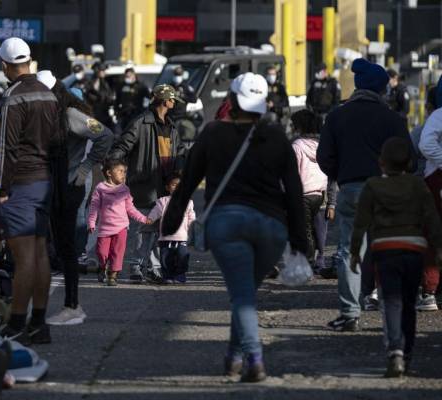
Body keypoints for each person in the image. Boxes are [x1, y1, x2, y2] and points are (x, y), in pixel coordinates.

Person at [162, 72, 307, 382]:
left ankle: (254, 358)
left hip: (226, 224)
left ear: (231, 99)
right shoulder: (277, 137)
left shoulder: (212, 133)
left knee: (242, 295)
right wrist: (300, 242)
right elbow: (294, 191)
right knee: (245, 292)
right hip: (272, 227)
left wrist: (172, 221)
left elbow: (187, 183)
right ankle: (234, 356)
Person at [317, 58, 411, 332]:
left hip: (352, 190)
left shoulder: (337, 115)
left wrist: (342, 174)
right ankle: (392, 310)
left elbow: (324, 157)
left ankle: (349, 313)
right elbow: (411, 160)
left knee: (349, 250)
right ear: (381, 90)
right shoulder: (392, 119)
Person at [350, 137, 442, 378]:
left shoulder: (372, 186)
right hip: (414, 251)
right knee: (409, 305)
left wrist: (354, 252)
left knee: (391, 301)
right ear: (410, 162)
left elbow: (360, 223)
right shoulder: (418, 186)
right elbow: (432, 220)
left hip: (384, 249)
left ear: (381, 162)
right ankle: (408, 353)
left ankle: (395, 352)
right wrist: (439, 248)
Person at [0, 37, 59, 345]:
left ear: (6, 65)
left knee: (24, 258)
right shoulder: (48, 95)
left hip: (21, 182)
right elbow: (58, 142)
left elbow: (6, 147)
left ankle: (17, 321)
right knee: (40, 252)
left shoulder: (13, 97)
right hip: (46, 181)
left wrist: (2, 188)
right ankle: (39, 322)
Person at [36, 70, 114, 325]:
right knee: (57, 247)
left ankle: (72, 304)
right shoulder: (49, 115)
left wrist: (86, 166)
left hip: (69, 186)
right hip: (53, 186)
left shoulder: (70, 115)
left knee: (67, 248)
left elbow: (105, 135)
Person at [109, 84, 186, 283]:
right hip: (144, 186)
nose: (175, 104)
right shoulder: (140, 123)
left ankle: (153, 268)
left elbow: (180, 153)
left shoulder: (172, 126)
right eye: (173, 100)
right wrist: (113, 170)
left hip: (166, 187)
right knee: (142, 230)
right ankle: (136, 267)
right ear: (165, 100)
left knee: (159, 230)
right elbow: (121, 147)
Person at [88, 159, 150, 286]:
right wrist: (91, 222)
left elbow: (130, 209)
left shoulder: (125, 190)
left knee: (117, 252)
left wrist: (143, 218)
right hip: (104, 229)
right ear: (109, 173)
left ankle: (113, 275)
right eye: (120, 171)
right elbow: (94, 207)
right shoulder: (100, 188)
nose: (123, 174)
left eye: (125, 172)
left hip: (121, 227)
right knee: (102, 252)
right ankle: (102, 266)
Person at [290, 109, 328, 267]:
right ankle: (318, 257)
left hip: (303, 194)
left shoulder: (297, 146)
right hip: (319, 193)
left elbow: (292, 172)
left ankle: (308, 260)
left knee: (304, 229)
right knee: (315, 228)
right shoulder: (321, 145)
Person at [417, 77, 442, 312]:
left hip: (436, 178)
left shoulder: (437, 116)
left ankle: (430, 291)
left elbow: (426, 145)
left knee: (433, 235)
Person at [147, 173, 195, 283]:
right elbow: (156, 211)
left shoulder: (188, 202)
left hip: (182, 236)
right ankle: (168, 276)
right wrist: (150, 218)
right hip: (166, 237)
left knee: (182, 256)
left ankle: (180, 274)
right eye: (174, 185)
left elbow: (191, 216)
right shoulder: (162, 201)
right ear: (168, 188)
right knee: (165, 258)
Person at [84, 62, 115, 128]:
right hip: (95, 115)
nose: (104, 72)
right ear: (97, 71)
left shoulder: (104, 82)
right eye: (102, 71)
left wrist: (110, 99)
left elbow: (108, 96)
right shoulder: (91, 83)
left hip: (105, 115)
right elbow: (92, 98)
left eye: (104, 70)